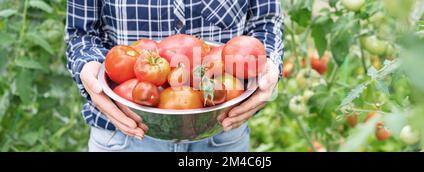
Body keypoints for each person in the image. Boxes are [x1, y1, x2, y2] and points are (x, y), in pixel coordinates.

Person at [65, 0, 284, 152]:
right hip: (120, 133)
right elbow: (81, 33)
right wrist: (88, 68)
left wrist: (269, 64)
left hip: (222, 130)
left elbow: (266, 22)